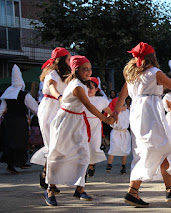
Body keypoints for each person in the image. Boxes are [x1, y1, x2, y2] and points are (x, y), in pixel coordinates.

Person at [114, 42, 171, 207]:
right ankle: (132, 191)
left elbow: (122, 96)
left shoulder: (132, 75)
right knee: (158, 148)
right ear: (152, 57)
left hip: (137, 114)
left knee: (158, 149)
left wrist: (115, 113)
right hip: (150, 114)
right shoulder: (154, 72)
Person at [43, 56, 115, 206]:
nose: (89, 72)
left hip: (77, 121)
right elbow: (88, 105)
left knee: (83, 154)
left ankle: (79, 188)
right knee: (58, 154)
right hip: (65, 121)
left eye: (90, 69)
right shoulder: (77, 85)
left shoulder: (81, 84)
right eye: (85, 69)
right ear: (76, 70)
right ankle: (50, 189)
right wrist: (106, 119)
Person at [30, 47, 71, 191]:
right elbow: (52, 87)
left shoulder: (65, 74)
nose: (70, 60)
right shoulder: (52, 73)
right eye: (68, 58)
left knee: (59, 144)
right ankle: (48, 178)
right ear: (62, 60)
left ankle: (48, 176)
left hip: (61, 108)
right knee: (52, 144)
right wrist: (59, 97)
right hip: (50, 108)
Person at [0, 64, 38, 173]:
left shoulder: (6, 95)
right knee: (20, 142)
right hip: (20, 122)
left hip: (8, 122)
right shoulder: (24, 95)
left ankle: (11, 164)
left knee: (10, 142)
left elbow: (1, 110)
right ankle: (20, 162)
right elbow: (34, 108)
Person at [86, 77, 113, 177]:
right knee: (82, 147)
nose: (89, 89)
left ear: (97, 89)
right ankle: (83, 169)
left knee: (94, 147)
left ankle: (92, 165)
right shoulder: (81, 98)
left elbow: (110, 112)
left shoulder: (101, 100)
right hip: (81, 125)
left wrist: (111, 120)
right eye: (87, 87)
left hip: (95, 127)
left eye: (91, 87)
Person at [107, 98, 131, 174]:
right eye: (122, 105)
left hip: (124, 132)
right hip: (116, 132)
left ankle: (123, 166)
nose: (125, 106)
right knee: (113, 148)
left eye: (125, 105)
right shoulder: (114, 113)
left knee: (124, 150)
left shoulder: (128, 112)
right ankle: (109, 164)